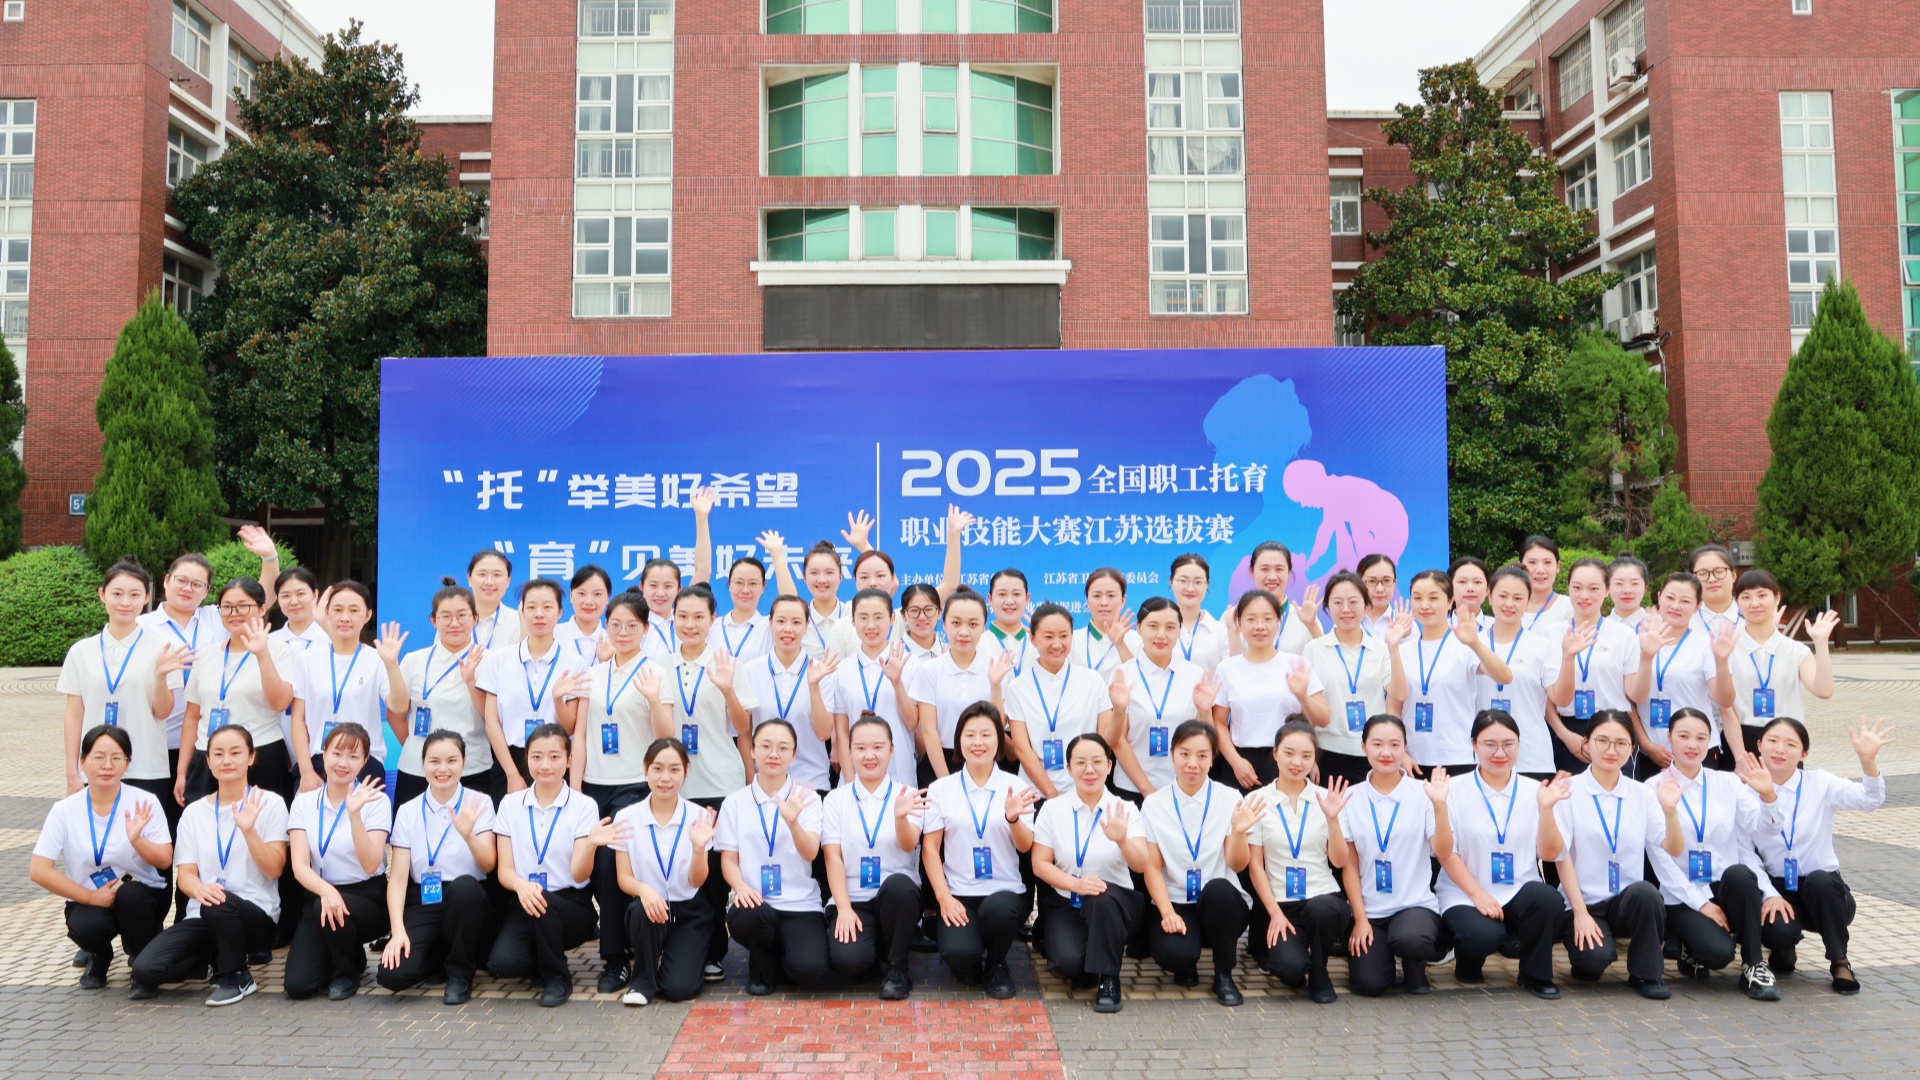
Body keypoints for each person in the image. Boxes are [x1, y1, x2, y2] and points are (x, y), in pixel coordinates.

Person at [129, 724, 290, 1005]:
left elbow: (275, 869)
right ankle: (212, 956)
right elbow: (186, 876)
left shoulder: (271, 803)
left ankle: (237, 976)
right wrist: (199, 890)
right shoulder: (194, 813)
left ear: (251, 757)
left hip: (254, 913)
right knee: (145, 969)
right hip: (204, 912)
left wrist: (249, 831)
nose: (227, 760)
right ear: (208, 760)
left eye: (235, 752)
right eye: (218, 754)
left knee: (220, 904)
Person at [1647, 708, 1792, 1001]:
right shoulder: (1652, 788)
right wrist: (1701, 904)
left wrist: (1768, 797)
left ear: (1710, 741)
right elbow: (1662, 861)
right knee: (1718, 954)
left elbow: (1766, 829)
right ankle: (1689, 945)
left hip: (1726, 886)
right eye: (1684, 736)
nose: (1692, 744)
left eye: (1701, 738)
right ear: (1669, 737)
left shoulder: (1728, 784)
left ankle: (1754, 965)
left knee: (1740, 874)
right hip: (1683, 894)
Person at [565, 592, 664, 993]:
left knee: (611, 865)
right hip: (593, 785)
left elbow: (665, 738)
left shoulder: (654, 672)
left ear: (646, 628)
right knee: (595, 867)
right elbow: (580, 734)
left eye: (632, 625)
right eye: (616, 624)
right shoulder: (592, 674)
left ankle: (616, 959)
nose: (623, 632)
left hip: (633, 785)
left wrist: (654, 700)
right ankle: (622, 942)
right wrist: (576, 789)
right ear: (605, 627)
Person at [1122, 720, 1260, 1006]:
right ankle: (1186, 964)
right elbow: (1152, 867)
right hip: (1177, 902)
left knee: (1220, 889)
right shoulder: (1154, 804)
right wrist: (1167, 912)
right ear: (1172, 753)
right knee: (1174, 955)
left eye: (1202, 755)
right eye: (1184, 754)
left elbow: (1237, 865)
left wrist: (1238, 833)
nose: (1192, 764)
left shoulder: (1229, 798)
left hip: (1219, 904)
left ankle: (1224, 974)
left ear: (1213, 758)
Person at [1435, 711, 1571, 999]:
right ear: (1474, 744)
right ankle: (1468, 962)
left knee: (1548, 900)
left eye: (1509, 744)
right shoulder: (1453, 790)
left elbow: (1549, 853)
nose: (1500, 753)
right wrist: (1477, 894)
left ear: (1519, 745)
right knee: (1481, 936)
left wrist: (1547, 810)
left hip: (1518, 887)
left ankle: (1536, 974)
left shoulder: (1536, 791)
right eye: (1490, 745)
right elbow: (1446, 853)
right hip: (1465, 891)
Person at [1750, 716, 1891, 995]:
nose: (1780, 749)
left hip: (1824, 892)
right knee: (1778, 930)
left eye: (1791, 744)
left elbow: (1869, 800)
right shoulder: (1745, 790)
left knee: (1819, 881)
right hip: (1777, 887)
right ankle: (1783, 948)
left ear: (1804, 754)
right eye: (1773, 741)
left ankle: (1840, 961)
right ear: (1759, 745)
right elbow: (1745, 853)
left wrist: (1867, 762)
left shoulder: (1820, 783)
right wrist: (1769, 893)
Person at [488, 723, 623, 1007]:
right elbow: (505, 871)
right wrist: (522, 886)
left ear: (569, 760)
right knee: (504, 963)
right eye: (536, 756)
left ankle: (557, 977)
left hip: (571, 908)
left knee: (544, 901)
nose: (545, 765)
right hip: (525, 901)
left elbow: (579, 874)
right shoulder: (510, 805)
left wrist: (590, 844)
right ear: (526, 758)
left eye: (554, 756)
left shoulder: (584, 805)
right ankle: (542, 957)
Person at [30, 725, 173, 990]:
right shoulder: (64, 810)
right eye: (98, 757)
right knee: (85, 925)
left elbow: (165, 859)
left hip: (141, 896)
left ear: (127, 763)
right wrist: (89, 897)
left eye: (116, 757)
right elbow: (39, 870)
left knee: (130, 897)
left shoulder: (145, 802)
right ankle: (100, 955)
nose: (107, 765)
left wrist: (138, 841)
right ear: (83, 762)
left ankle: (142, 960)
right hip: (91, 896)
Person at [1553, 710, 1684, 998]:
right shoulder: (1568, 790)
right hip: (1583, 902)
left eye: (1621, 743)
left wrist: (1671, 811)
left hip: (1625, 901)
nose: (1611, 750)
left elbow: (1673, 848)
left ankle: (1646, 974)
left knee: (1647, 893)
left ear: (1632, 748)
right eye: (1602, 741)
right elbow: (1560, 856)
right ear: (1586, 743)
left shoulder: (1643, 793)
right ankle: (1590, 958)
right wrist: (1580, 913)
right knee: (1593, 961)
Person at [922, 702, 1039, 998]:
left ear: (998, 739)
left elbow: (1025, 845)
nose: (978, 742)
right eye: (970, 734)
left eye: (986, 734)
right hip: (959, 893)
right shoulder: (941, 789)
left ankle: (997, 963)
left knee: (999, 912)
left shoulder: (1015, 786)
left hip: (1005, 891)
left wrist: (1013, 819)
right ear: (959, 740)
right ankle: (974, 956)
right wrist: (943, 898)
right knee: (959, 954)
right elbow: (930, 849)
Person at [378, 730, 498, 1005]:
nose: (443, 769)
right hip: (425, 899)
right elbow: (398, 878)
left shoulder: (479, 802)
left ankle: (460, 975)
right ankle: (438, 955)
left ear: (464, 763)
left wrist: (468, 835)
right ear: (423, 764)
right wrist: (397, 931)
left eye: (451, 760)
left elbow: (489, 863)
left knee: (465, 888)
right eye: (434, 761)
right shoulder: (408, 810)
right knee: (392, 975)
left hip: (467, 900)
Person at [1338, 715, 1451, 996]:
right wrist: (1360, 919)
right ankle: (1382, 958)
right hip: (1371, 912)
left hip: (1414, 906)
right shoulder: (1350, 798)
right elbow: (1348, 865)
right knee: (1369, 984)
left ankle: (1415, 965)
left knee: (1412, 938)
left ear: (1405, 748)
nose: (1386, 752)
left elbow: (1443, 851)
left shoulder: (1424, 794)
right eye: (1377, 744)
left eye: (1394, 744)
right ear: (1364, 746)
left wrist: (1440, 806)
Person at [716, 719, 830, 994]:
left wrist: (793, 822)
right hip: (757, 903)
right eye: (765, 746)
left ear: (793, 754)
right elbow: (729, 860)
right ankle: (763, 960)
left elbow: (810, 852)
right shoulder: (734, 802)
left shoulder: (808, 798)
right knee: (744, 916)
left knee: (810, 971)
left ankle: (780, 954)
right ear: (752, 750)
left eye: (783, 748)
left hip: (800, 904)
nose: (773, 754)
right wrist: (741, 888)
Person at [1245, 722, 1354, 1004]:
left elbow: (1339, 860)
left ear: (1314, 758)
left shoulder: (1326, 798)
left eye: (1306, 756)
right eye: (1289, 753)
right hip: (1283, 905)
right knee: (1289, 969)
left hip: (1323, 898)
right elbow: (1256, 866)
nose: (1297, 762)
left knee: (1321, 909)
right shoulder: (1257, 800)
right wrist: (1274, 913)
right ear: (1275, 753)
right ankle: (1302, 963)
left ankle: (1320, 972)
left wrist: (1333, 819)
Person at [59, 561, 181, 809]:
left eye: (134, 595)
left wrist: (160, 676)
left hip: (146, 766)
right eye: (117, 593)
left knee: (144, 832)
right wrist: (72, 773)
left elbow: (163, 712)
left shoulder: (163, 648)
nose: (125, 602)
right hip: (94, 766)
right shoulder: (81, 651)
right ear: (102, 595)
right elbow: (74, 714)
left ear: (146, 597)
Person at [1031, 733, 1139, 1013]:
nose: (1089, 770)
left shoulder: (1125, 809)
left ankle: (1109, 979)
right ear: (1069, 769)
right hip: (1068, 900)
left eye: (1097, 762)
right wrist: (1076, 885)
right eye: (1080, 763)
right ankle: (1090, 957)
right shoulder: (1052, 809)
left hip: (1115, 904)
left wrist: (1123, 840)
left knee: (1101, 895)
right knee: (1067, 963)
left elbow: (1141, 864)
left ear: (1109, 766)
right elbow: (1040, 863)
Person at [284, 724, 391, 1000]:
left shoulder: (377, 801)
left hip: (367, 898)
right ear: (323, 755)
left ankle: (346, 973)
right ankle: (348, 952)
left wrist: (354, 815)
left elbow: (371, 864)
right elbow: (299, 866)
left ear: (364, 762)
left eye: (353, 756)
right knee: (298, 985)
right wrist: (327, 891)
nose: (343, 763)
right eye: (337, 753)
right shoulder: (304, 803)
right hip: (320, 895)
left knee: (328, 907)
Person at [821, 714, 924, 999]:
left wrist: (900, 817)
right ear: (849, 751)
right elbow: (832, 857)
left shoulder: (908, 794)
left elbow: (909, 845)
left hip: (896, 897)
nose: (869, 755)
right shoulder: (836, 800)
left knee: (900, 886)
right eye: (861, 748)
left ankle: (898, 967)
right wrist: (843, 908)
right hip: (853, 898)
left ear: (892, 749)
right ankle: (876, 950)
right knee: (848, 961)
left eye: (878, 747)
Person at [612, 738, 718, 1006]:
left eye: (674, 769)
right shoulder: (626, 817)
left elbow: (697, 881)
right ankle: (642, 982)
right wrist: (644, 890)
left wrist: (698, 848)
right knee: (640, 909)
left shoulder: (698, 817)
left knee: (679, 989)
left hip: (689, 910)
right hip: (649, 910)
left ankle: (678, 962)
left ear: (685, 772)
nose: (665, 778)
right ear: (645, 770)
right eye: (657, 768)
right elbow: (623, 877)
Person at [175, 578, 298, 807]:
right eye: (227, 607)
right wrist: (182, 771)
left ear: (262, 609)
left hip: (260, 753)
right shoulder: (206, 654)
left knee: (261, 823)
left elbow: (280, 702)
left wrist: (262, 654)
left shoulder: (279, 651)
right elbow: (192, 717)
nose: (234, 613)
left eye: (243, 606)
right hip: (208, 755)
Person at [288, 582, 406, 792]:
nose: (345, 617)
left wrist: (392, 664)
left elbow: (398, 707)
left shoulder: (377, 659)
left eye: (354, 610)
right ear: (327, 613)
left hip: (364, 760)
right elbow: (298, 718)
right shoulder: (307, 659)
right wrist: (306, 771)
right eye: (338, 609)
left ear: (368, 615)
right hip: (318, 760)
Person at [478, 579, 587, 804]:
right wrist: (511, 774)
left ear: (559, 612)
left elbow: (570, 728)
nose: (539, 614)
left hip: (555, 761)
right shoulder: (500, 659)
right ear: (522, 611)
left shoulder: (574, 663)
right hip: (508, 760)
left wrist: (557, 700)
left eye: (547, 607)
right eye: (531, 607)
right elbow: (491, 721)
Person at [1211, 589, 1328, 791]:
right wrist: (1235, 761)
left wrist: (1303, 696)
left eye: (1267, 619)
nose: (1260, 626)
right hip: (1241, 766)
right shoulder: (1227, 668)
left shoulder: (1297, 664)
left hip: (1289, 763)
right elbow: (1219, 722)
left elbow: (1324, 718)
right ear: (1239, 623)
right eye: (1251, 619)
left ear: (1277, 623)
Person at [1398, 570, 1510, 776]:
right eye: (1417, 598)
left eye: (1433, 598)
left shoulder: (1465, 645)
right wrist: (1400, 752)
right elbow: (1394, 707)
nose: (1424, 605)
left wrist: (1475, 643)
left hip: (1456, 756)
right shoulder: (1403, 650)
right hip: (1413, 760)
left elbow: (1504, 676)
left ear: (1450, 602)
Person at [1304, 572, 1409, 786]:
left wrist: (1393, 647)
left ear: (1366, 604)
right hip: (1327, 753)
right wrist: (1309, 754)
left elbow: (1399, 694)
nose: (1346, 609)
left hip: (1372, 754)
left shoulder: (1380, 649)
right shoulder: (1313, 649)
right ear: (1328, 607)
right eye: (1337, 602)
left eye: (1353, 602)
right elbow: (1307, 708)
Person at [140, 553, 227, 809]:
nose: (188, 588)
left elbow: (258, 599)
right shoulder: (141, 625)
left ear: (206, 590)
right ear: (166, 581)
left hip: (203, 742)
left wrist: (269, 557)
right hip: (157, 741)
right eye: (181, 580)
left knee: (194, 819)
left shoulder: (216, 618)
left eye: (197, 584)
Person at [1628, 573, 1737, 776]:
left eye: (1685, 601)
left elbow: (1725, 700)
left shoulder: (1706, 645)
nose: (1676, 606)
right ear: (1659, 597)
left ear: (1697, 606)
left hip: (1698, 751)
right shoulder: (1637, 642)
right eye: (1670, 598)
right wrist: (1647, 745)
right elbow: (1634, 699)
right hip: (1651, 753)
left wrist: (1722, 661)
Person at [830, 504, 973, 657]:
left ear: (893, 580)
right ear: (855, 580)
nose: (872, 583)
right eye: (864, 577)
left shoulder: (906, 616)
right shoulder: (843, 627)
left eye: (880, 576)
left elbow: (950, 585)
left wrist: (953, 534)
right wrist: (863, 546)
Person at [396, 581, 492, 807]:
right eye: (446, 616)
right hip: (418, 768)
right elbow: (396, 713)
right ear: (433, 620)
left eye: (462, 615)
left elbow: (493, 718)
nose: (454, 623)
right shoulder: (414, 660)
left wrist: (471, 683)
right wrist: (418, 746)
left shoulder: (491, 661)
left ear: (475, 618)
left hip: (472, 767)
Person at [1105, 597, 1212, 801]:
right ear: (1139, 628)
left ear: (1179, 631)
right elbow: (1116, 740)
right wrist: (1147, 789)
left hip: (1184, 786)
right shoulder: (1123, 674)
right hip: (1132, 789)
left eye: (1170, 627)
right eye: (1153, 626)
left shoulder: (1194, 674)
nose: (1161, 635)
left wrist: (1205, 711)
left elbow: (1206, 737)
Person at [1724, 570, 1837, 758]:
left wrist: (1821, 643)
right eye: (1746, 597)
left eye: (1762, 595)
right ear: (1737, 602)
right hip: (1739, 740)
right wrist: (1739, 756)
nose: (1754, 603)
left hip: (1786, 740)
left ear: (1777, 598)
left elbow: (1823, 691)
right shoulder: (1726, 649)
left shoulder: (1796, 651)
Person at [1006, 603, 1114, 798]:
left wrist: (1120, 710)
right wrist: (1051, 794)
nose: (1057, 644)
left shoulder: (1092, 681)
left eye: (1064, 636)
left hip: (1086, 791)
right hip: (1036, 794)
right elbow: (1022, 748)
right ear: (1033, 639)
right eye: (1048, 637)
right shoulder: (1018, 686)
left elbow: (1105, 737)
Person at [1549, 558, 1642, 776]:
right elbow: (1546, 698)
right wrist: (1565, 735)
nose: (1584, 595)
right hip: (1569, 731)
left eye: (1593, 588)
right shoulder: (1550, 635)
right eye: (1577, 587)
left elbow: (1633, 695)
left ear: (1607, 590)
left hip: (1615, 728)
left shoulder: (1624, 635)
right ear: (1568, 587)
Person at [1478, 566, 1571, 781]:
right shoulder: (1473, 642)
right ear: (1490, 596)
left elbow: (1561, 699)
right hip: (1482, 754)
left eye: (1518, 598)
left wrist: (1569, 657)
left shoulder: (1542, 646)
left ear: (1528, 601)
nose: (1509, 604)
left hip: (1531, 755)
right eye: (1503, 596)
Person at [821, 589, 920, 790]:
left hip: (899, 774)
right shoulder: (843, 669)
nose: (871, 625)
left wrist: (897, 683)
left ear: (892, 619)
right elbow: (842, 731)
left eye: (878, 617)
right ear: (853, 621)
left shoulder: (909, 663)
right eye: (863, 617)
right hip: (855, 777)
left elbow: (912, 722)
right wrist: (850, 782)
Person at [909, 590, 1009, 783]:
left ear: (983, 627)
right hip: (941, 763)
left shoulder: (995, 667)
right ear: (944, 624)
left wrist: (995, 686)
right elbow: (929, 731)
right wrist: (945, 783)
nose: (964, 632)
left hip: (985, 760)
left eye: (973, 624)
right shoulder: (929, 670)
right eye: (956, 623)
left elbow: (999, 724)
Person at [745, 594, 837, 794]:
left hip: (810, 781)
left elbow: (824, 733)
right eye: (781, 621)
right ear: (770, 623)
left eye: (796, 622)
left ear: (806, 625)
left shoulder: (822, 672)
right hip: (764, 782)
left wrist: (813, 686)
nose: (788, 629)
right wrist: (751, 779)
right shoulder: (751, 670)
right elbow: (744, 732)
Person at [268, 567, 329, 767]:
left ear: (315, 595)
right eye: (285, 596)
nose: (293, 601)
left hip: (320, 730)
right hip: (275, 732)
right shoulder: (267, 642)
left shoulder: (330, 639)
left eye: (300, 594)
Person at [769, 538, 851, 660]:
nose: (822, 579)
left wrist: (863, 545)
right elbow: (789, 600)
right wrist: (776, 555)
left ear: (840, 576)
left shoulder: (852, 612)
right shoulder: (799, 619)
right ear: (804, 577)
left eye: (829, 572)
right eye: (814, 573)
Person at [1237, 541, 1322, 655]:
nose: (1272, 577)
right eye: (1264, 569)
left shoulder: (1305, 618)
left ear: (1289, 573)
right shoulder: (1234, 616)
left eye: (1279, 569)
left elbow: (1325, 660)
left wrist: (1312, 626)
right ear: (1252, 572)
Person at [1167, 553, 1229, 672]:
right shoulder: (1158, 629)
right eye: (1183, 581)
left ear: (1207, 585)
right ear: (1171, 582)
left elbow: (1230, 674)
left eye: (1198, 582)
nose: (1190, 588)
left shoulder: (1221, 632)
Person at [1071, 569, 1135, 676]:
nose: (1104, 603)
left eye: (1111, 596)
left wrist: (1120, 645)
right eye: (1096, 596)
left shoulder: (1138, 641)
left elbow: (1142, 680)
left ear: (1123, 600)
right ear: (1087, 600)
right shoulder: (1072, 641)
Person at [715, 554, 772, 665]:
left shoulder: (769, 627)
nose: (745, 590)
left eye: (753, 583)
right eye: (739, 583)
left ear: (763, 587)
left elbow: (791, 602)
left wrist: (776, 555)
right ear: (729, 584)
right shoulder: (712, 627)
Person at [980, 569, 1033, 676]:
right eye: (1002, 594)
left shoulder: (1038, 644)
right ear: (990, 598)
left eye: (1016, 594)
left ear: (1027, 598)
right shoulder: (978, 643)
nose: (1009, 601)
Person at [556, 564, 613, 664]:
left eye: (597, 594)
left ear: (607, 598)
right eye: (582, 593)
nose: (589, 602)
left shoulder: (613, 642)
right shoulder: (553, 635)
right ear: (571, 595)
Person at [1518, 536, 1575, 636]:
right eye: (1532, 562)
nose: (1540, 570)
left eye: (1547, 562)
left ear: (1558, 566)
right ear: (1520, 566)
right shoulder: (1510, 606)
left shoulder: (1570, 607)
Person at [467, 549, 521, 652]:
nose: (489, 582)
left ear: (508, 580)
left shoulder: (519, 621)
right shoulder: (454, 620)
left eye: (497, 575)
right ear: (469, 579)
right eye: (482, 574)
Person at [1688, 545, 1741, 637]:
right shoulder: (1685, 621)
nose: (1712, 579)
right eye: (1703, 574)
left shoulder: (1754, 615)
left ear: (1733, 576)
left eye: (1719, 572)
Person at [897, 582, 948, 661]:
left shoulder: (951, 654)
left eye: (928, 609)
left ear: (939, 613)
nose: (922, 617)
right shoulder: (892, 655)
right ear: (904, 615)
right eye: (914, 610)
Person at [1356, 554, 1399, 639]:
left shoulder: (1406, 626)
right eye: (1372, 581)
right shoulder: (1348, 622)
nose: (1380, 589)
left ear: (1394, 583)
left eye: (1386, 580)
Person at [1605, 554, 1650, 632]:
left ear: (1645, 588)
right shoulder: (1599, 628)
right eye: (1619, 583)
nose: (1627, 590)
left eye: (1635, 583)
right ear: (1608, 587)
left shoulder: (1658, 628)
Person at [1448, 557, 1491, 631]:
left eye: (1477, 582)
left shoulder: (1498, 626)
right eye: (1462, 582)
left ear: (1487, 590)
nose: (1470, 588)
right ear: (1450, 588)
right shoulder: (1437, 628)